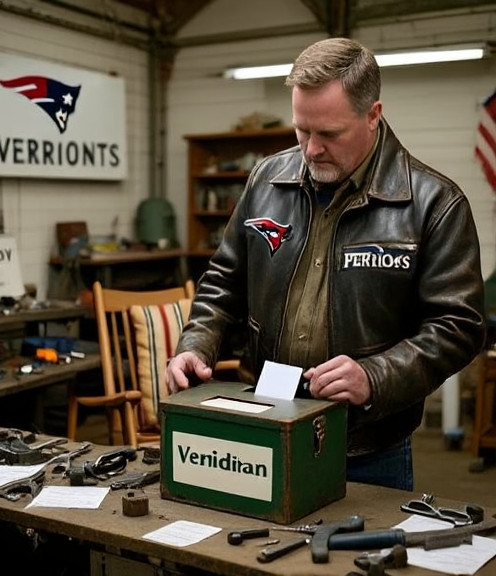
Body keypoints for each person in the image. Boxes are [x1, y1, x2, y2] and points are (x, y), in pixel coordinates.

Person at [166, 37, 485, 490]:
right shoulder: (266, 180)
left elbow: (458, 325)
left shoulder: (434, 204)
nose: (311, 149)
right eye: (301, 130)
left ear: (373, 116)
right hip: (263, 422)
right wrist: (197, 343)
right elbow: (224, 281)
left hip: (366, 446)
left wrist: (376, 376)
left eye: (329, 134)